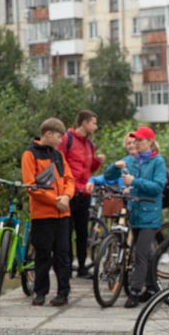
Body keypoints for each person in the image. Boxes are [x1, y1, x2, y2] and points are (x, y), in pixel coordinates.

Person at [104, 126, 167, 308]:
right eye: (135, 140)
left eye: (139, 140)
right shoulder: (131, 160)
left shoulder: (158, 162)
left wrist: (135, 182)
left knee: (139, 254)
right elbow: (109, 177)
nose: (136, 143)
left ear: (149, 142)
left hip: (150, 215)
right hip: (135, 213)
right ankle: (151, 287)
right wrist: (114, 167)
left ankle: (134, 291)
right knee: (145, 253)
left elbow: (157, 187)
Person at [21, 118, 75, 307]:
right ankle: (40, 292)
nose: (61, 141)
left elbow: (69, 179)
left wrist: (67, 197)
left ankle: (63, 292)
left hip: (63, 213)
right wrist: (55, 201)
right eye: (59, 137)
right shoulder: (30, 154)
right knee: (43, 254)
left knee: (63, 254)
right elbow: (31, 186)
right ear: (48, 134)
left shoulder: (59, 155)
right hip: (43, 214)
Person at [57, 109, 105, 278]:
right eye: (93, 123)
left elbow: (90, 169)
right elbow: (59, 164)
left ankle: (83, 266)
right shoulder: (66, 140)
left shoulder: (90, 144)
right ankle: (67, 266)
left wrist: (97, 161)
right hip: (69, 193)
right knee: (67, 232)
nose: (96, 126)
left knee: (82, 232)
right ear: (84, 123)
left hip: (85, 194)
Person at [85, 134, 137, 217]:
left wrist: (131, 190)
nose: (131, 145)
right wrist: (91, 181)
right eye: (129, 143)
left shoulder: (147, 163)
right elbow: (104, 178)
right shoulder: (122, 163)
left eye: (134, 142)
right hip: (124, 209)